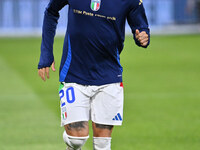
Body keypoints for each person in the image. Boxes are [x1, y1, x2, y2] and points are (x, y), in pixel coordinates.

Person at [38, 0, 150, 149]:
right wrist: (46, 53)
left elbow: (141, 28)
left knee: (103, 144)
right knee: (76, 139)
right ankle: (71, 143)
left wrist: (143, 37)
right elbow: (51, 11)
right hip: (73, 73)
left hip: (109, 75)